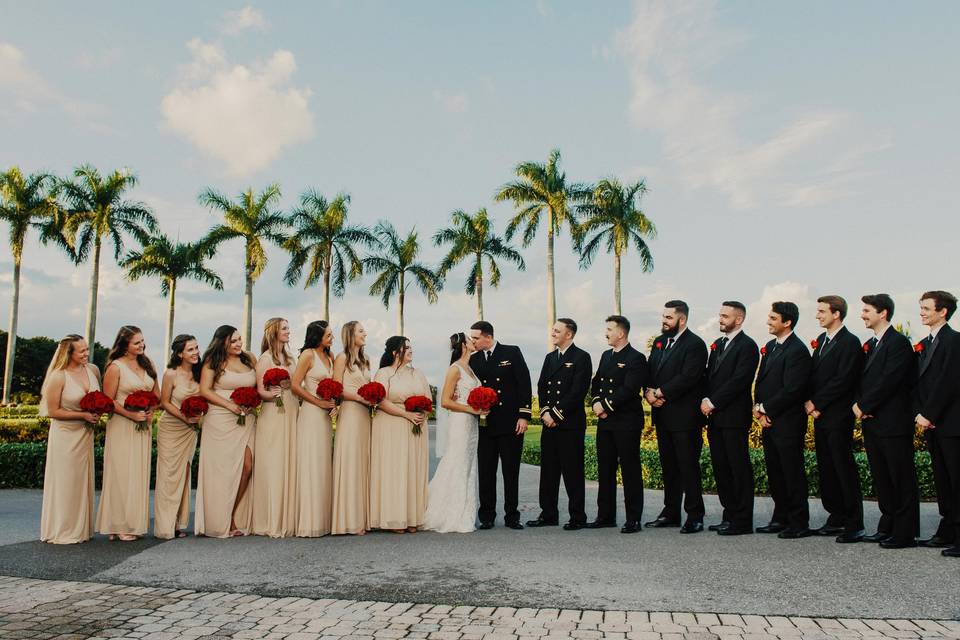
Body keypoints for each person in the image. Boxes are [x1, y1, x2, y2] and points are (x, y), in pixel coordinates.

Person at [854, 294, 919, 549]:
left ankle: (905, 533)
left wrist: (865, 406)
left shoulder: (899, 343)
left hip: (892, 422)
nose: (863, 314)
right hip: (872, 421)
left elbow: (890, 381)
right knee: (882, 476)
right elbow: (862, 380)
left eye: (867, 310)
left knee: (900, 477)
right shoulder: (871, 344)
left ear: (883, 313)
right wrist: (860, 405)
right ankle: (887, 524)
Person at [645, 301, 708, 533]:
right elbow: (650, 371)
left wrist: (661, 392)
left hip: (685, 417)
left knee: (688, 466)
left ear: (682, 319)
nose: (664, 321)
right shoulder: (660, 343)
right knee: (669, 466)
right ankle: (670, 512)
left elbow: (689, 376)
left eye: (669, 318)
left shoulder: (695, 344)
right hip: (662, 415)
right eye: (663, 316)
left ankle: (695, 515)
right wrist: (649, 393)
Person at [805, 296, 865, 543]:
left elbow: (844, 380)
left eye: (821, 311)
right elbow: (812, 376)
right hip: (820, 415)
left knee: (843, 467)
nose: (818, 315)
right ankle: (836, 515)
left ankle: (854, 522)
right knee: (827, 467)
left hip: (839, 415)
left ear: (837, 314)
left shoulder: (850, 343)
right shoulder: (820, 341)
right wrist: (811, 403)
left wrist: (817, 403)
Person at [754, 302, 812, 538]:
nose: (768, 321)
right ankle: (780, 517)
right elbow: (761, 381)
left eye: (773, 318)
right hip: (769, 420)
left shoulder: (797, 350)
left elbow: (793, 389)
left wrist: (767, 408)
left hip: (788, 421)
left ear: (787, 322)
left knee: (792, 472)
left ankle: (798, 522)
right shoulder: (771, 346)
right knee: (775, 472)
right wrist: (758, 409)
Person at [96, 325, 159, 541]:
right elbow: (108, 400)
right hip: (122, 425)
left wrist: (150, 409)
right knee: (122, 473)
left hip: (143, 426)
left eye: (142, 341)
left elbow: (156, 394)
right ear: (124, 345)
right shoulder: (115, 367)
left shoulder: (148, 363)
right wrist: (130, 415)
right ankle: (118, 524)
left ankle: (131, 523)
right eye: (136, 342)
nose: (141, 345)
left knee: (138, 473)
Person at [528, 318, 592, 530]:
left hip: (570, 424)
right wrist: (545, 411)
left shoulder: (582, 357)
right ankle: (548, 514)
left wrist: (555, 414)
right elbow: (542, 386)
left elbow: (578, 391)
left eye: (557, 331)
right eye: (553, 330)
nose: (553, 333)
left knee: (572, 471)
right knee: (548, 471)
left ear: (569, 334)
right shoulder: (549, 358)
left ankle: (577, 516)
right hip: (549, 423)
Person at [702, 302, 760, 536]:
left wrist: (713, 401)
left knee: (738, 468)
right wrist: (705, 398)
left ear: (739, 319)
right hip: (715, 418)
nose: (721, 319)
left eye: (725, 316)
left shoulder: (748, 346)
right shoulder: (718, 345)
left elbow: (740, 380)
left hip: (734, 417)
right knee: (722, 468)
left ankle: (743, 520)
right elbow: (710, 375)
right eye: (720, 315)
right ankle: (730, 514)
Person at [195, 325, 258, 538]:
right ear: (222, 342)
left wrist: (253, 403)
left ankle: (231, 513)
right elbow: (204, 390)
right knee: (222, 471)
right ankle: (223, 519)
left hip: (246, 418)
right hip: (220, 419)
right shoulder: (213, 361)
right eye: (233, 341)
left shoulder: (249, 359)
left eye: (240, 339)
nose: (239, 344)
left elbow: (258, 387)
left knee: (247, 466)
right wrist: (229, 405)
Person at [469, 321, 532, 530]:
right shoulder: (474, 359)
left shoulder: (511, 352)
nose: (473, 341)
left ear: (488, 337)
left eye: (476, 338)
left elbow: (524, 383)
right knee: (486, 471)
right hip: (485, 423)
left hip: (510, 422)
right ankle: (486, 515)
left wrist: (524, 416)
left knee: (510, 471)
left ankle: (512, 516)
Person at [588, 315, 649, 533]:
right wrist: (596, 403)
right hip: (606, 423)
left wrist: (605, 406)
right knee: (605, 469)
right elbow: (596, 383)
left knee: (630, 470)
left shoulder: (636, 358)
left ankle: (633, 518)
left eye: (609, 329)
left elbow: (630, 389)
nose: (605, 333)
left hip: (626, 422)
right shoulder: (606, 356)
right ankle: (605, 516)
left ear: (621, 333)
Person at [39, 334, 101, 544]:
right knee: (66, 481)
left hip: (85, 434)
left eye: (86, 349)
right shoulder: (58, 376)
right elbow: (52, 411)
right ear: (69, 353)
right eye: (81, 351)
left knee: (81, 480)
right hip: (65, 435)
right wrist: (82, 415)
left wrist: (97, 412)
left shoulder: (93, 370)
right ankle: (63, 529)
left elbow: (99, 398)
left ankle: (82, 529)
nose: (86, 353)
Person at [913, 290, 960, 558]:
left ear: (943, 311)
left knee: (957, 479)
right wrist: (919, 413)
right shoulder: (925, 343)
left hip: (951, 424)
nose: (921, 312)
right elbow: (920, 383)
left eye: (926, 308)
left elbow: (949, 382)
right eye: (920, 308)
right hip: (931, 423)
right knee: (942, 479)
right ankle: (947, 527)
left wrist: (929, 414)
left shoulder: (955, 341)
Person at [424, 332, 484, 532]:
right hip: (460, 422)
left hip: (472, 423)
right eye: (470, 339)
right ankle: (449, 513)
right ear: (464, 346)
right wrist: (471, 409)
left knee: (467, 464)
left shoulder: (470, 368)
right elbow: (445, 401)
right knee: (456, 461)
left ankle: (466, 512)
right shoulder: (455, 369)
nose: (474, 341)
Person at [369, 336, 430, 532]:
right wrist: (406, 414)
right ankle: (394, 518)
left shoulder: (418, 373)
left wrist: (421, 413)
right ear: (395, 353)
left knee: (412, 468)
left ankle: (412, 517)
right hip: (391, 424)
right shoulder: (384, 373)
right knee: (394, 470)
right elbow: (380, 400)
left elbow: (428, 398)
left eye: (411, 347)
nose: (411, 351)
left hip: (415, 427)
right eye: (406, 348)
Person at [251, 317, 299, 538]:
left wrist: (288, 386)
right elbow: (260, 390)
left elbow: (297, 384)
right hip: (273, 413)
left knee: (289, 462)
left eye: (288, 328)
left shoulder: (289, 357)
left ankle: (288, 518)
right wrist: (272, 395)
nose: (288, 331)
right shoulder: (265, 358)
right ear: (274, 332)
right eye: (285, 328)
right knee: (274, 463)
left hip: (291, 409)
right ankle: (270, 519)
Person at [290, 320, 336, 537]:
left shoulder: (331, 356)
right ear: (317, 337)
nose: (331, 338)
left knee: (323, 464)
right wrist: (317, 402)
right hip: (311, 413)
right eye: (328, 335)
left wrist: (333, 403)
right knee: (311, 463)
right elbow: (295, 386)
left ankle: (324, 520)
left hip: (326, 416)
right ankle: (309, 521)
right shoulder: (308, 355)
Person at [154, 334, 202, 540]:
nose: (196, 352)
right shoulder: (171, 374)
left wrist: (196, 419)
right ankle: (165, 526)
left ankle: (178, 523)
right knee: (168, 475)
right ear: (180, 353)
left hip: (190, 431)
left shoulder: (201, 373)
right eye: (190, 349)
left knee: (184, 473)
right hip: (172, 427)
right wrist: (185, 417)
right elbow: (164, 402)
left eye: (197, 348)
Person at [331, 321, 373, 535]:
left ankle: (362, 517)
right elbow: (337, 388)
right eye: (360, 331)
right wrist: (360, 397)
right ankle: (348, 519)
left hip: (365, 416)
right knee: (351, 462)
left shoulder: (365, 360)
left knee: (362, 463)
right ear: (350, 335)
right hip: (351, 413)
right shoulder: (342, 358)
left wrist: (372, 397)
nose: (365, 333)